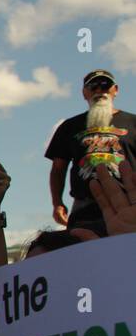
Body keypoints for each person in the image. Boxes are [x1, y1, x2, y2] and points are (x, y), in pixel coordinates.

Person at [46, 70, 136, 229]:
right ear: (84, 93)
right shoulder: (69, 126)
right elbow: (58, 169)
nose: (100, 90)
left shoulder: (133, 122)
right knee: (85, 251)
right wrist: (57, 203)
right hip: (84, 206)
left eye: (105, 85)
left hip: (129, 202)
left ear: (115, 90)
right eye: (93, 86)